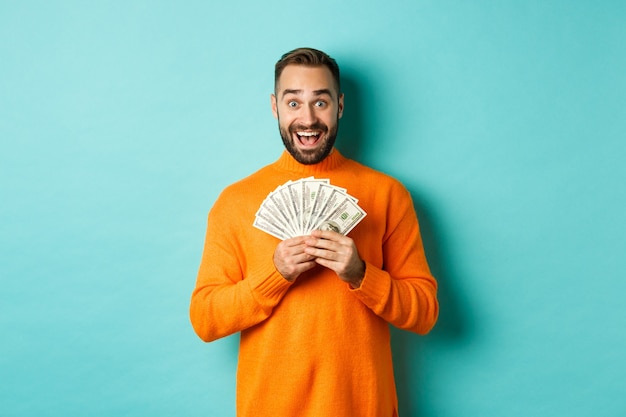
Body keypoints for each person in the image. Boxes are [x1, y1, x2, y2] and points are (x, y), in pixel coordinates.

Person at [190, 47, 439, 417]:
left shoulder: (388, 195)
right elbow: (205, 319)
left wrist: (362, 275)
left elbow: (425, 312)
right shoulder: (235, 202)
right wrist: (274, 275)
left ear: (339, 106)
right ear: (275, 107)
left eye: (320, 103)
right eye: (294, 103)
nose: (307, 118)